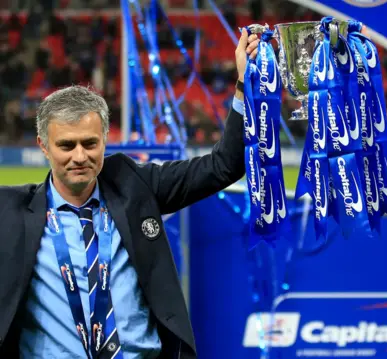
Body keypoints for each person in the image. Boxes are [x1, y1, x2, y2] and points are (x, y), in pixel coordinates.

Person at [0, 29, 259, 358]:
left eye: (90, 143)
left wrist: (241, 85)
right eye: (66, 145)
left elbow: (223, 166)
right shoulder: (9, 211)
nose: (79, 156)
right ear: (44, 146)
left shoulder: (136, 185)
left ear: (105, 141)